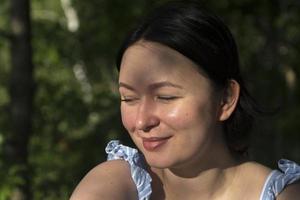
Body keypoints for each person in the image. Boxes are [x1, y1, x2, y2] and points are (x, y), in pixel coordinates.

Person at [70, 1, 300, 199]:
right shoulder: (117, 185)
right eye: (128, 98)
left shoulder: (282, 195)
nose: (141, 122)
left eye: (165, 97)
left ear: (226, 99)